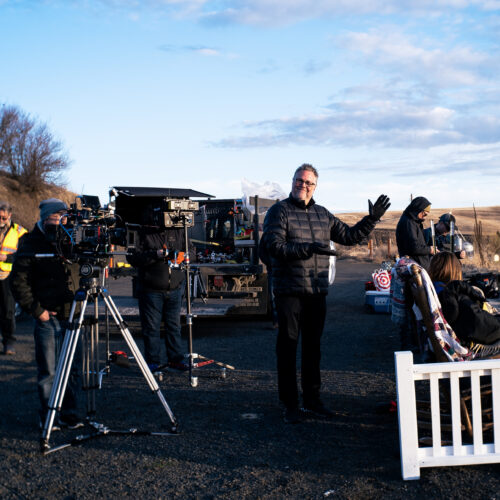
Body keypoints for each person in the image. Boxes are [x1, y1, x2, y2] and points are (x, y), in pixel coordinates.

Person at [261, 163, 390, 423]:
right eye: (300, 181)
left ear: (315, 186)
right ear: (293, 181)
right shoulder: (279, 211)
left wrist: (372, 219)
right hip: (289, 291)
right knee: (287, 347)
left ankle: (312, 400)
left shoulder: (322, 214)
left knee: (313, 348)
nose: (303, 186)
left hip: (316, 290)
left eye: (309, 183)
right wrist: (304, 249)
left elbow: (350, 236)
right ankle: (290, 404)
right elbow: (274, 246)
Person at [10, 198, 83, 429]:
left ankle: (70, 413)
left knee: (72, 369)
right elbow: (18, 281)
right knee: (49, 371)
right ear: (46, 217)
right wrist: (36, 310)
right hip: (47, 315)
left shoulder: (72, 237)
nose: (63, 220)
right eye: (58, 216)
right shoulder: (30, 242)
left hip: (72, 314)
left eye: (65, 216)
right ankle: (49, 415)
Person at [126, 209, 190, 372]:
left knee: (174, 326)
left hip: (174, 287)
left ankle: (176, 359)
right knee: (151, 328)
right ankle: (153, 362)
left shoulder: (178, 231)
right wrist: (156, 254)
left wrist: (182, 257)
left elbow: (191, 251)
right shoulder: (142, 233)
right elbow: (132, 258)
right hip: (151, 289)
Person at [429, 252, 500, 353]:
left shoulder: (436, 291)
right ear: (455, 270)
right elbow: (483, 327)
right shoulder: (452, 295)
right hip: (471, 347)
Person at [0, 201, 27, 355]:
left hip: (8, 276)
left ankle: (8, 342)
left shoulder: (19, 232)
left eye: (4, 218)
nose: (1, 220)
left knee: (7, 311)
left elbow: (24, 255)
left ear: (9, 215)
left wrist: (7, 257)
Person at [396, 196, 435, 271]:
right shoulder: (408, 223)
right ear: (418, 210)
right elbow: (413, 247)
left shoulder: (414, 222)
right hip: (413, 269)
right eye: (424, 214)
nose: (425, 217)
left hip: (417, 267)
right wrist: (429, 250)